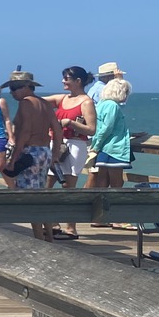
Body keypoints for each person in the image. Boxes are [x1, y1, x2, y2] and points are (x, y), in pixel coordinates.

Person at [1, 70, 65, 241]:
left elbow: (25, 132)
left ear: (28, 87)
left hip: (30, 152)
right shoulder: (44, 103)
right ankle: (49, 237)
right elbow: (58, 131)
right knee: (41, 195)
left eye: (16, 88)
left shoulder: (25, 104)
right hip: (44, 151)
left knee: (31, 199)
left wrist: (14, 159)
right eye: (11, 88)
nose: (13, 92)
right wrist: (55, 154)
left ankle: (38, 239)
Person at [41, 66, 97, 239]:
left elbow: (91, 129)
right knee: (47, 184)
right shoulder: (62, 98)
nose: (63, 81)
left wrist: (70, 123)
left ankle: (71, 227)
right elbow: (39, 101)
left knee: (68, 186)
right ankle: (51, 223)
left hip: (75, 145)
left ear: (77, 81)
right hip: (56, 143)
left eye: (66, 78)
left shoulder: (86, 102)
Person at [86, 76, 133, 191]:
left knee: (102, 181)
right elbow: (107, 128)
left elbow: (102, 127)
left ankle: (102, 204)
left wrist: (96, 145)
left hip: (103, 148)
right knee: (116, 182)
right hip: (113, 149)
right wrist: (96, 147)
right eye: (126, 92)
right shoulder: (112, 106)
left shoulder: (102, 104)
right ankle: (114, 205)